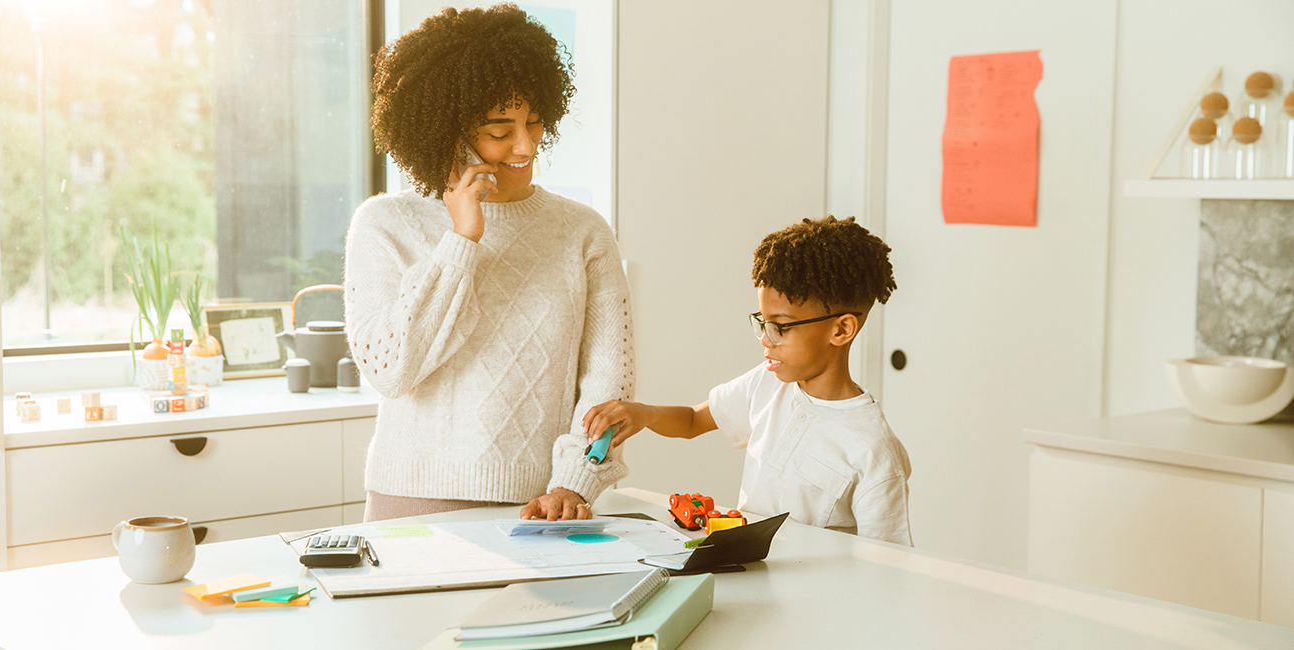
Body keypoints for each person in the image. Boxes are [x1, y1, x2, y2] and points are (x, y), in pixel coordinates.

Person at [344, 4, 632, 523]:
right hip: (409, 505)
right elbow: (391, 370)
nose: (525, 146)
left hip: (543, 506)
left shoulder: (582, 230)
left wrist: (576, 481)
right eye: (501, 131)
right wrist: (462, 240)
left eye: (535, 123)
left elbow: (609, 379)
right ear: (447, 131)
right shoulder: (386, 223)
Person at [582, 216, 912, 544]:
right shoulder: (769, 383)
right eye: (762, 322)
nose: (765, 340)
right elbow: (694, 420)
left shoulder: (874, 451)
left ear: (840, 330)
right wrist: (644, 414)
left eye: (780, 327)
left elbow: (889, 564)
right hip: (747, 567)